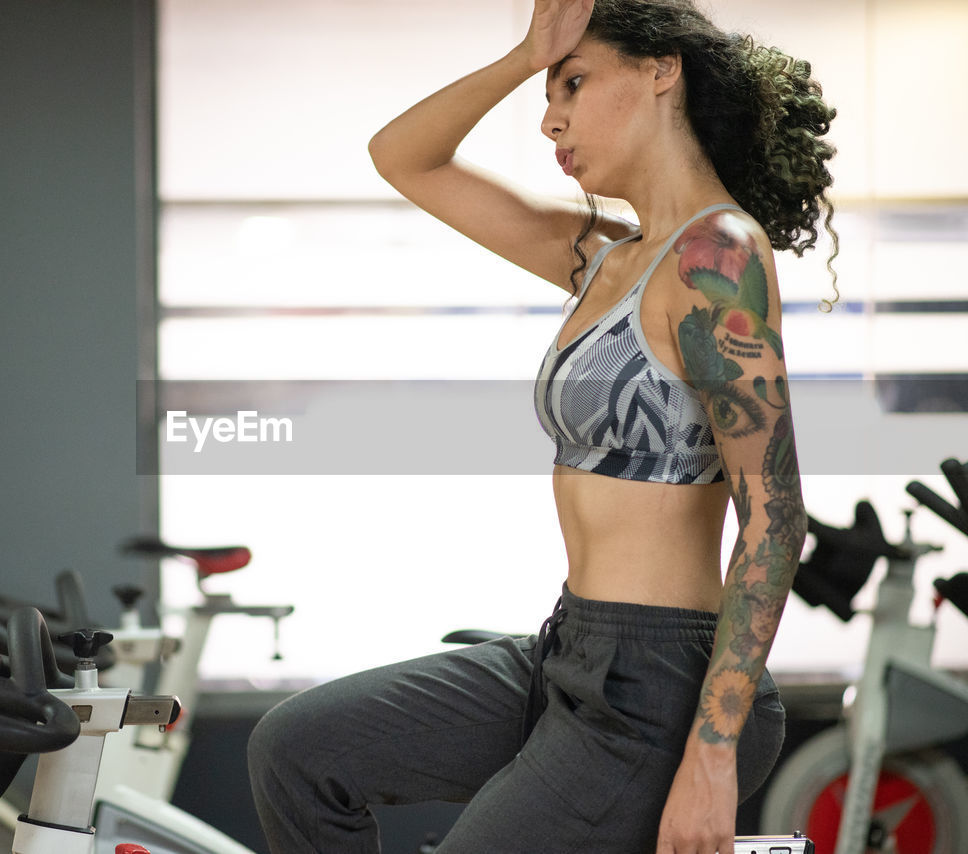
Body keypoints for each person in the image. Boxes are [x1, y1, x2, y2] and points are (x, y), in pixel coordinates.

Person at [247, 0, 837, 851]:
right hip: (568, 650)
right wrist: (529, 55)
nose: (549, 116)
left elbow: (775, 518)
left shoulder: (720, 257)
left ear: (661, 68)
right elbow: (403, 157)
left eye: (575, 81)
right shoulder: (604, 256)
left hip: (662, 686)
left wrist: (712, 755)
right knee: (296, 751)